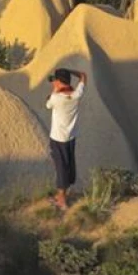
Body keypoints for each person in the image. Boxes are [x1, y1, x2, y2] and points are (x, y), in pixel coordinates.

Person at [45, 67, 87, 210]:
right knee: (68, 164)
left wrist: (54, 90)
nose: (53, 83)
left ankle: (62, 201)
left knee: (60, 167)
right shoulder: (77, 94)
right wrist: (69, 71)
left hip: (58, 138)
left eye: (54, 81)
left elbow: (48, 104)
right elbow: (83, 75)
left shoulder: (56, 98)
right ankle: (60, 195)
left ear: (58, 81)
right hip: (71, 137)